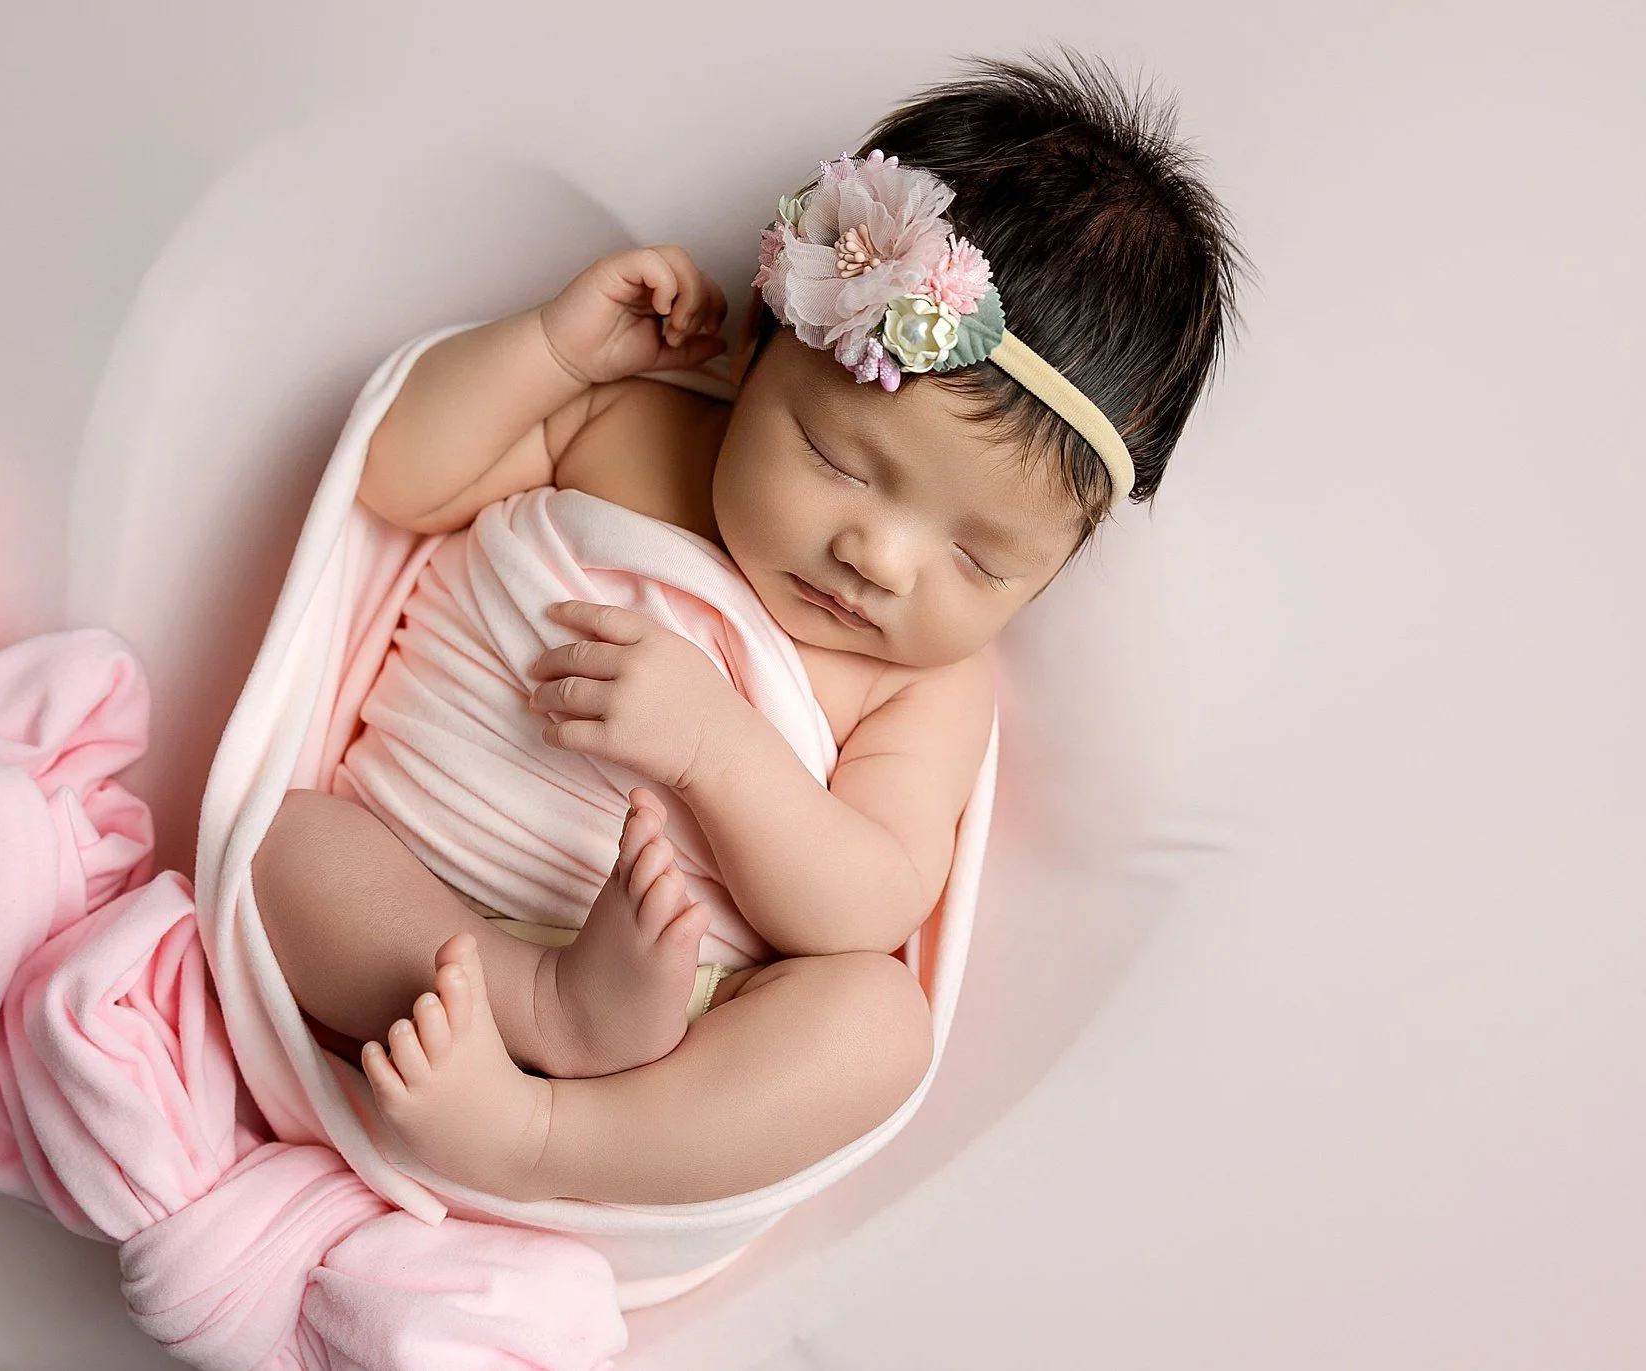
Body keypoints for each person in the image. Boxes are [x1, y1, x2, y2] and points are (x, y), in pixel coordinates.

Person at [251, 49, 1247, 1205]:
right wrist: (555, 353)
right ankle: (540, 1013)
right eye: (835, 460)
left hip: (680, 1015)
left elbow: (866, 905)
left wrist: (712, 748)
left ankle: (542, 1136)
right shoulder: (627, 434)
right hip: (402, 887)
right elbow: (400, 478)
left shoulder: (922, 690)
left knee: (875, 1029)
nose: (876, 558)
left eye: (977, 560)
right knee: (274, 841)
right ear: (756, 351)